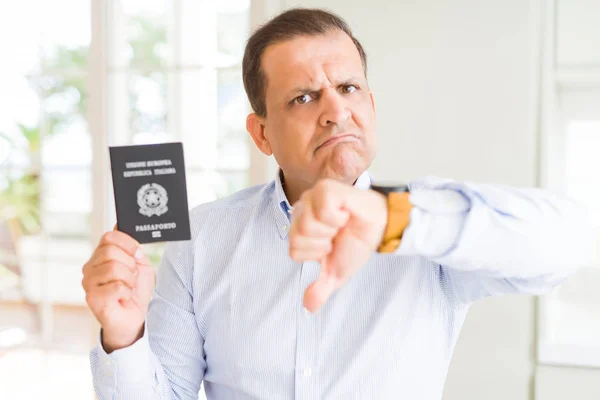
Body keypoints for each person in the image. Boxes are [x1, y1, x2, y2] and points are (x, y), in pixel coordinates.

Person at [82, 8, 598, 400]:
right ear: (261, 133)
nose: (335, 110)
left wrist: (399, 218)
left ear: (369, 106)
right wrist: (124, 335)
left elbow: (569, 242)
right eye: (304, 97)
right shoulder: (204, 239)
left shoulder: (426, 225)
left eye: (349, 87)